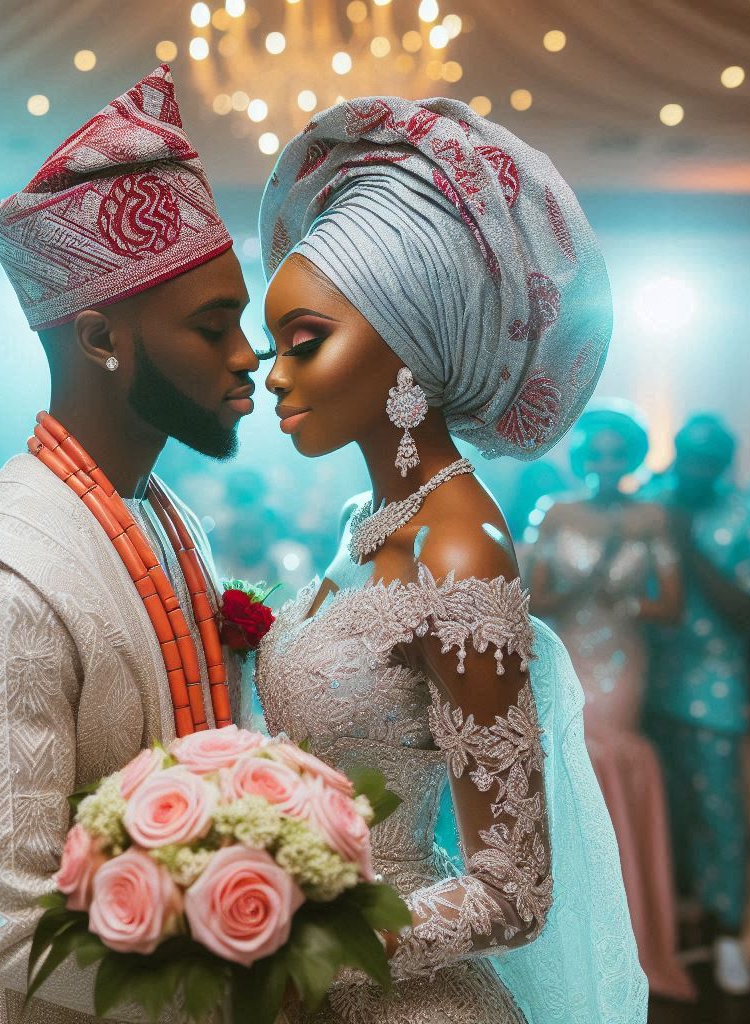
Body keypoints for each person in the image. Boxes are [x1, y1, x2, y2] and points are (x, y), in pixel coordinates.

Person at [254, 95, 646, 1023]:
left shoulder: (460, 546)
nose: (275, 374)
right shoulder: (368, 517)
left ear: (410, 345)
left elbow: (513, 892)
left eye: (306, 343)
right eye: (276, 346)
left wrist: (294, 945)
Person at [0, 66, 260, 1023]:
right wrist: (258, 957)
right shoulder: (5, 588)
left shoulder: (159, 510)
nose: (247, 355)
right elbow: (14, 920)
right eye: (215, 327)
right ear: (101, 339)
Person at [528, 400, 695, 1000]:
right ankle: (571, 938)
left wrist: (619, 603)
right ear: (580, 456)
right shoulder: (555, 514)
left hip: (623, 659)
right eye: (594, 452)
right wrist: (579, 589)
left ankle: (636, 940)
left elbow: (671, 606)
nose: (604, 463)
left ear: (631, 458)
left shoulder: (651, 519)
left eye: (616, 454)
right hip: (569, 653)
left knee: (611, 762)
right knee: (573, 766)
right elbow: (532, 600)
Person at [642, 414, 750, 995]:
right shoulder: (654, 501)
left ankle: (728, 932)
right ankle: (674, 927)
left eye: (709, 460)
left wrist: (686, 543)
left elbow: (746, 607)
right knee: (663, 816)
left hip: (714, 690)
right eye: (688, 455)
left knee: (720, 816)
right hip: (642, 683)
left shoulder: (743, 516)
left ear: (724, 465)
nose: (696, 468)